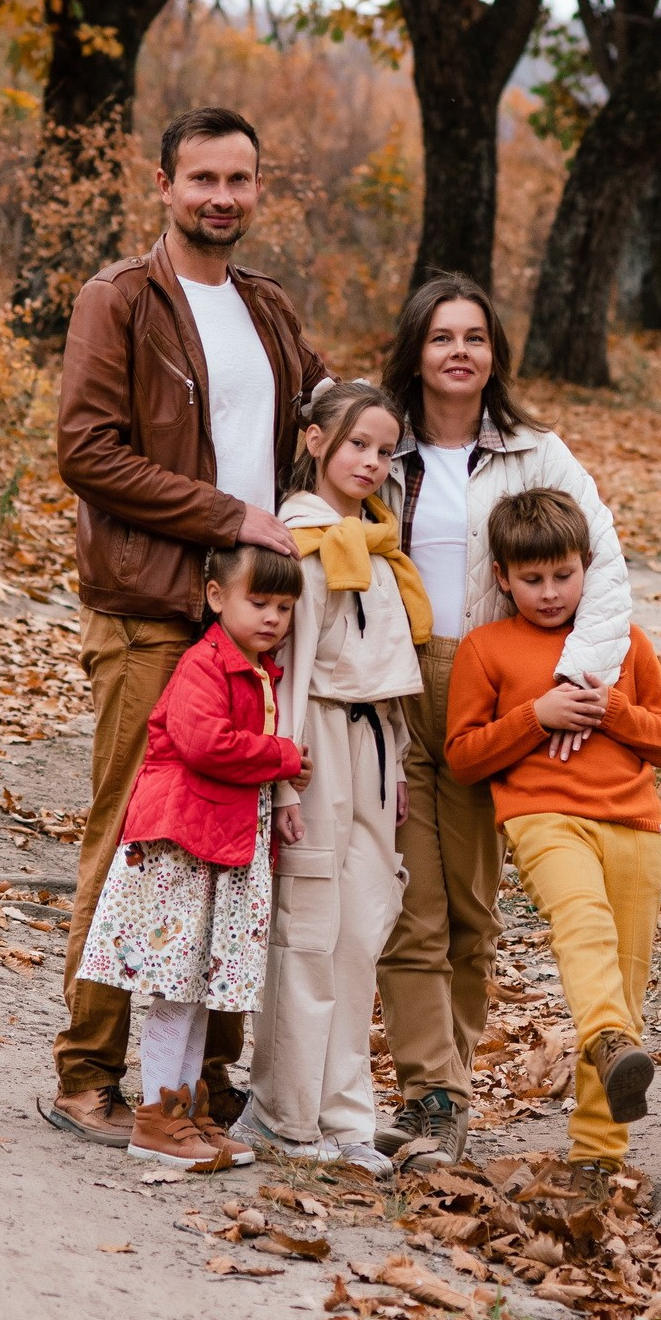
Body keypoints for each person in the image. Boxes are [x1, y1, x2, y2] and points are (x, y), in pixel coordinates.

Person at [47, 106, 328, 1147]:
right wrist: (229, 518)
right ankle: (87, 1077)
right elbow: (87, 451)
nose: (221, 197)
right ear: (162, 184)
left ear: (259, 189)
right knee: (134, 837)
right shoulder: (118, 301)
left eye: (239, 180)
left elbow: (320, 410)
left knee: (232, 851)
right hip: (155, 611)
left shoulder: (267, 308)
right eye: (201, 178)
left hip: (255, 625)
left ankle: (197, 1086)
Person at [375, 273, 632, 1162]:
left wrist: (567, 684)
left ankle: (458, 1069)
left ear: (495, 354)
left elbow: (606, 568)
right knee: (412, 902)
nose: (458, 351)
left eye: (474, 337)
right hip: (395, 685)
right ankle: (431, 1094)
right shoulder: (380, 447)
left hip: (496, 688)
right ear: (415, 349)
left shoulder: (536, 452)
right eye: (441, 335)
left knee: (474, 909)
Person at [443, 486, 661, 1175]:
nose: (549, 593)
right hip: (543, 815)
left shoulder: (622, 642)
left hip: (635, 823)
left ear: (587, 564)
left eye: (562, 575)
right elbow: (463, 757)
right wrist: (536, 716)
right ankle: (608, 1037)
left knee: (626, 979)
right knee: (583, 930)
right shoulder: (487, 648)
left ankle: (597, 1156)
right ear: (502, 577)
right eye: (531, 579)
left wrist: (612, 708)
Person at [243, 379, 429, 1172]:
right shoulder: (301, 542)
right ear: (316, 440)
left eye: (385, 450)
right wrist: (283, 777)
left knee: (362, 927)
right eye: (357, 443)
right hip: (314, 743)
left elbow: (385, 665)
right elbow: (281, 668)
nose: (371, 461)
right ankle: (283, 1112)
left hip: (376, 745)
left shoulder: (377, 544)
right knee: (309, 927)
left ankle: (347, 1114)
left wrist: (402, 763)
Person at [77, 541, 306, 1176]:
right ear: (215, 598)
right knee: (176, 986)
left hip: (221, 846)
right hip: (183, 844)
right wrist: (283, 756)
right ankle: (156, 1115)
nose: (271, 618)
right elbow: (205, 743)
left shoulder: (261, 672)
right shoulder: (203, 665)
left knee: (203, 986)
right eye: (257, 602)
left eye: (284, 608)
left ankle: (190, 1108)